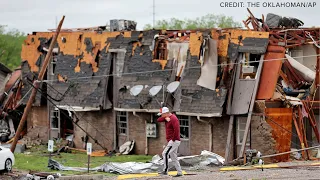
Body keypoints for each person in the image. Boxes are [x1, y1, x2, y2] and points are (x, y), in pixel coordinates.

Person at [157, 107, 183, 177]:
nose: (161, 116)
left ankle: (165, 171)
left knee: (165, 153)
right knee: (174, 157)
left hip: (174, 140)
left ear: (165, 113)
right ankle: (180, 172)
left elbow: (177, 130)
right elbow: (158, 119)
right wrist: (165, 118)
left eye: (162, 114)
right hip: (172, 141)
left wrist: (173, 139)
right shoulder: (167, 118)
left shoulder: (174, 119)